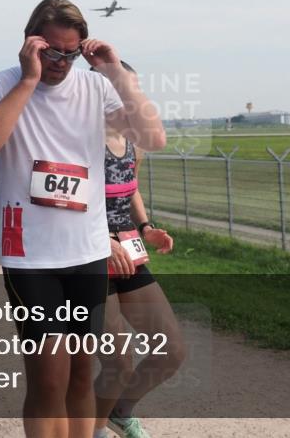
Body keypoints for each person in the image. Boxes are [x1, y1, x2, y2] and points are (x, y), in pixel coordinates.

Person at [0, 0, 166, 438]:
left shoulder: (95, 88)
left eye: (69, 54)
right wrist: (28, 79)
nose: (59, 62)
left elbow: (154, 136)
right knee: (49, 379)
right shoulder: (0, 85)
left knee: (79, 376)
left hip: (88, 253)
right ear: (29, 42)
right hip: (31, 256)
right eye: (49, 51)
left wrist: (113, 70)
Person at [92, 67, 184, 438]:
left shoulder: (133, 141)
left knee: (172, 351)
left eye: (134, 88)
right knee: (117, 360)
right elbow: (63, 203)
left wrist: (146, 227)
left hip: (127, 246)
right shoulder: (79, 140)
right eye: (121, 88)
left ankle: (121, 410)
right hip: (88, 252)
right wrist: (101, 240)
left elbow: (129, 189)